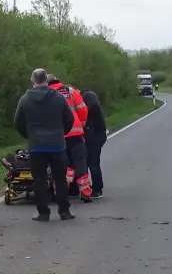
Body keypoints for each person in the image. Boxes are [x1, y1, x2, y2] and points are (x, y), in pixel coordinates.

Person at [14, 69, 74, 222]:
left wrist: (30, 136)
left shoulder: (25, 99)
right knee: (60, 179)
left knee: (39, 180)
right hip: (57, 144)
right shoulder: (58, 97)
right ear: (46, 80)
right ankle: (64, 211)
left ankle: (43, 212)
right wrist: (61, 133)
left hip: (36, 145)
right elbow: (69, 118)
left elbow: (18, 122)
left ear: (32, 81)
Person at [47, 75, 93, 202]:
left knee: (62, 165)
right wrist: (81, 124)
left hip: (57, 136)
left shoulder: (46, 95)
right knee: (80, 162)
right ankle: (85, 191)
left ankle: (60, 191)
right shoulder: (70, 91)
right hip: (76, 134)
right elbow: (83, 109)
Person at [81, 87, 107, 199]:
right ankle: (92, 187)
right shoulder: (89, 97)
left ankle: (97, 189)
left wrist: (82, 111)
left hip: (95, 135)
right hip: (95, 134)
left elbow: (93, 107)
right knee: (89, 161)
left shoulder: (88, 96)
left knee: (92, 162)